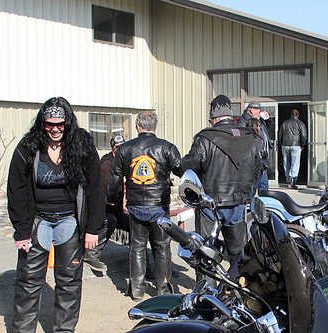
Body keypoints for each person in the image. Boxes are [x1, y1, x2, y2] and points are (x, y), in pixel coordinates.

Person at [6, 97, 104, 333]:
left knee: (69, 281)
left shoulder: (81, 144)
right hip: (38, 220)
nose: (55, 129)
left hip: (69, 221)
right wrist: (21, 231)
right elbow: (16, 189)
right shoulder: (29, 146)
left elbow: (96, 188)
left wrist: (93, 228)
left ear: (68, 123)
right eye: (50, 124)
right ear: (43, 123)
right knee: (28, 281)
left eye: (60, 124)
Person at [181, 94, 265, 277]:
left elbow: (189, 165)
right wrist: (249, 190)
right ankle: (237, 288)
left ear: (214, 118)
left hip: (209, 202)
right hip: (238, 202)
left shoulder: (205, 137)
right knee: (237, 253)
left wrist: (177, 166)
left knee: (204, 250)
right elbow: (262, 166)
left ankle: (206, 291)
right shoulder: (251, 137)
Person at [109, 111, 182, 300]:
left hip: (135, 206)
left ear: (137, 126)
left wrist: (111, 197)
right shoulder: (167, 147)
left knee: (137, 247)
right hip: (159, 206)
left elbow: (116, 178)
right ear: (155, 126)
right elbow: (181, 169)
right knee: (162, 247)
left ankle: (137, 290)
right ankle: (163, 289)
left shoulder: (125, 149)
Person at [84, 134, 125, 277]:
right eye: (117, 148)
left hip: (121, 207)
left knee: (140, 224)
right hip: (103, 208)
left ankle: (142, 266)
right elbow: (103, 194)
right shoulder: (107, 164)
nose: (120, 150)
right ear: (112, 148)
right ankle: (91, 254)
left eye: (122, 147)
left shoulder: (127, 161)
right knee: (110, 220)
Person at [240, 102, 271, 192]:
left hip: (263, 161)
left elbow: (268, 128)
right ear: (251, 110)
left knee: (264, 189)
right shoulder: (244, 121)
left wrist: (268, 119)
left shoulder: (258, 120)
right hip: (253, 162)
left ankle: (264, 205)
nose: (260, 111)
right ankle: (252, 205)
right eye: (258, 110)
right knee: (252, 189)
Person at [280, 109, 308, 188]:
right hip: (296, 145)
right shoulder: (301, 124)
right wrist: (302, 145)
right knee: (295, 164)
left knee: (286, 163)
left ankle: (288, 179)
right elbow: (304, 136)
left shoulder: (285, 123)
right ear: (298, 115)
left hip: (285, 145)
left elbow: (280, 135)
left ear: (290, 115)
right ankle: (293, 181)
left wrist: (280, 145)